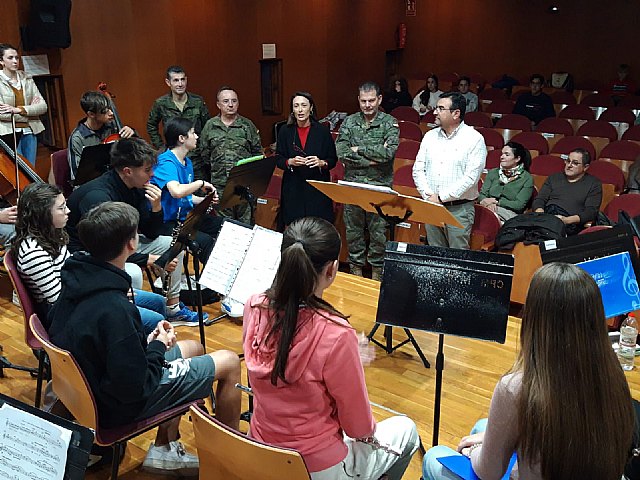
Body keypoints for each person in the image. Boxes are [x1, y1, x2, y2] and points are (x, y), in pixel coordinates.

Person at [48, 201, 241, 476]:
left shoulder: (75, 278)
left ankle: (165, 447)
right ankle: (229, 464)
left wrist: (148, 345)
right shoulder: (115, 309)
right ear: (131, 244)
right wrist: (157, 347)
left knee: (194, 347)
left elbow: (100, 344)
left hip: (90, 388)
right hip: (117, 405)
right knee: (230, 361)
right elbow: (134, 386)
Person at [423, 262, 635, 480]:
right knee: (482, 428)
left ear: (534, 319)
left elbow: (488, 472)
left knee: (434, 457)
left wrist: (474, 452)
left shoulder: (517, 388)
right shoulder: (613, 372)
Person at [243, 217, 419, 479]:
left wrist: (344, 360)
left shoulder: (254, 306)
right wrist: (350, 362)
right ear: (332, 270)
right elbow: (359, 428)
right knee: (407, 430)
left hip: (261, 447)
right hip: (313, 465)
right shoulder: (335, 334)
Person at [66, 137, 205, 326]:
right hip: (89, 255)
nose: (152, 174)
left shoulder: (137, 186)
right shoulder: (99, 197)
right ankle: (127, 321)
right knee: (133, 272)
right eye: (147, 170)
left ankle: (173, 309)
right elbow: (105, 250)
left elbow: (152, 233)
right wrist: (147, 260)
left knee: (171, 243)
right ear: (127, 171)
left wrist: (156, 207)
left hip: (120, 243)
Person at [12, 182, 166, 333]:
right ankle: (141, 353)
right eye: (61, 208)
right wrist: (106, 294)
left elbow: (72, 272)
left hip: (80, 300)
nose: (68, 211)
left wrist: (108, 289)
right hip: (68, 315)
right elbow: (60, 300)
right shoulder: (33, 253)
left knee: (158, 301)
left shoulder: (53, 233)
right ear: (42, 215)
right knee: (155, 320)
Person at [335, 81, 399, 280]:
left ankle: (377, 275)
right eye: (363, 101)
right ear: (358, 101)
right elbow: (341, 151)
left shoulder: (390, 122)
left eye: (371, 100)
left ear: (379, 99)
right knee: (353, 232)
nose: (367, 105)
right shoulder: (349, 122)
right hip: (353, 186)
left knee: (378, 233)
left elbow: (388, 153)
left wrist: (359, 150)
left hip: (379, 187)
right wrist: (371, 159)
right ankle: (355, 272)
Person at [413, 91, 486, 249]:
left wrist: (441, 197)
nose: (435, 112)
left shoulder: (474, 139)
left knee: (457, 258)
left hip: (459, 209)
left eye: (440, 108)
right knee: (434, 254)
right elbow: (418, 169)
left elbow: (471, 178)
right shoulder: (430, 136)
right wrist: (428, 195)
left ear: (456, 113)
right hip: (431, 205)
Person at [151, 116, 223, 262]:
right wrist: (200, 183)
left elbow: (186, 197)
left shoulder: (187, 161)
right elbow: (176, 192)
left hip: (185, 218)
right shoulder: (166, 161)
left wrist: (204, 200)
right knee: (205, 242)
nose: (196, 136)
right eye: (192, 132)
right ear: (182, 138)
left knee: (226, 226)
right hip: (168, 223)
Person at [198, 86, 262, 223]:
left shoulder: (247, 125)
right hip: (220, 186)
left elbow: (257, 153)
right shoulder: (210, 126)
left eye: (234, 101)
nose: (231, 105)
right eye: (226, 101)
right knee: (223, 226)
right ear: (218, 105)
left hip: (243, 186)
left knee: (245, 225)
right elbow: (204, 154)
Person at [274, 91, 337, 229]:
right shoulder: (285, 130)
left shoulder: (322, 131)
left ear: (311, 107)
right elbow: (278, 158)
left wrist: (321, 163)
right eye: (296, 106)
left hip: (317, 187)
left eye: (304, 105)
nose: (300, 110)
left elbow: (332, 159)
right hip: (293, 187)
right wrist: (289, 162)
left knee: (317, 230)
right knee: (295, 229)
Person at [146, 65, 210, 172]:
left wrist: (203, 148)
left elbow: (207, 126)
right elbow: (151, 125)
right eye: (176, 80)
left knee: (200, 187)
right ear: (168, 82)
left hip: (197, 158)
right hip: (173, 158)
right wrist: (161, 146)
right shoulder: (161, 103)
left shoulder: (198, 101)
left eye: (182, 80)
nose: (180, 84)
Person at [67, 90, 135, 182]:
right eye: (104, 111)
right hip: (92, 184)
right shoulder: (77, 138)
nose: (111, 113)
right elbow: (77, 176)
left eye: (110, 109)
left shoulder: (113, 126)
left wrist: (132, 133)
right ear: (91, 114)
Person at [531, 147, 602, 235]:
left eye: (575, 163)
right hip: (546, 217)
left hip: (569, 223)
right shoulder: (554, 177)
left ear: (585, 167)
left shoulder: (593, 184)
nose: (569, 165)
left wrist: (566, 220)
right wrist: (541, 214)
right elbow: (540, 199)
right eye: (568, 161)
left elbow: (590, 212)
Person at [0, 43, 47, 165]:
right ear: (1, 61)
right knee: (19, 170)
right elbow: (2, 114)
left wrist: (19, 109)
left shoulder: (26, 78)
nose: (15, 61)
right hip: (10, 133)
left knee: (31, 169)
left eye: (17, 58)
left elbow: (43, 106)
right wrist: (31, 112)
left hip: (30, 130)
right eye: (10, 58)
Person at [478, 141, 534, 222]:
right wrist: (487, 202)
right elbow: (482, 195)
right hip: (487, 208)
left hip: (510, 214)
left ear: (517, 159)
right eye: (502, 154)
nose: (502, 157)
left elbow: (519, 205)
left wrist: (496, 202)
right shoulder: (493, 172)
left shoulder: (527, 178)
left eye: (507, 154)